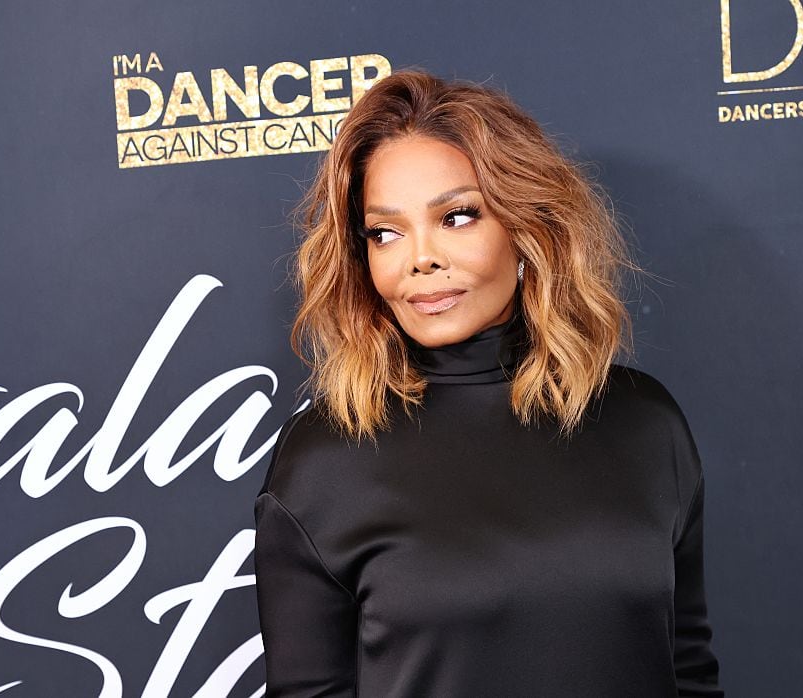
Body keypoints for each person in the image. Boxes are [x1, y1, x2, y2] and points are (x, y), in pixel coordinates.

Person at [253, 68, 723, 696]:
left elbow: (688, 671)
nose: (420, 258)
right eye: (385, 233)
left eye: (457, 217)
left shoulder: (644, 421)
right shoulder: (324, 459)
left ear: (527, 228)